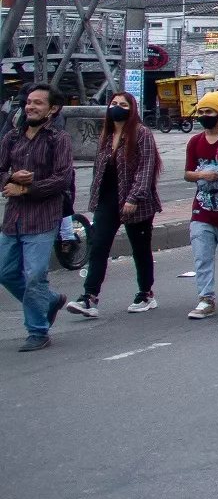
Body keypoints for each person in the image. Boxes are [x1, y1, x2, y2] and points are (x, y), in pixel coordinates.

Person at [73, 89, 162, 317]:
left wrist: (134, 197)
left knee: (140, 248)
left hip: (136, 201)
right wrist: (94, 199)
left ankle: (145, 293)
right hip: (108, 201)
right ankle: (89, 296)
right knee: (99, 245)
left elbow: (146, 169)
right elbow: (99, 171)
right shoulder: (106, 134)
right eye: (114, 103)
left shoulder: (142, 134)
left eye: (123, 104)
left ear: (132, 110)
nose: (117, 108)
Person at [0, 85, 74, 350]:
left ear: (52, 109)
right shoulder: (11, 138)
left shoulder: (58, 139)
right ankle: (50, 301)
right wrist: (10, 178)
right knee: (5, 272)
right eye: (29, 102)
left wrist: (27, 188)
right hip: (13, 219)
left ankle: (38, 330)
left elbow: (63, 178)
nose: (30, 107)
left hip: (42, 218)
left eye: (38, 103)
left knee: (34, 276)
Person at [183, 91, 218, 319]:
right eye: (201, 112)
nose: (205, 116)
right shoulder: (195, 142)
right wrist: (202, 175)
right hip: (202, 210)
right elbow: (187, 173)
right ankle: (206, 299)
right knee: (202, 256)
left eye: (209, 112)